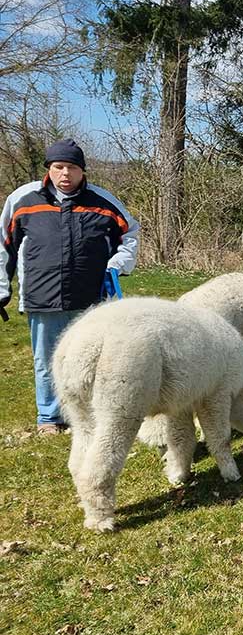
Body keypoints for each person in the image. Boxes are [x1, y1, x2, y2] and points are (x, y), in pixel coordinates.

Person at [0, 139, 140, 435]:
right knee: (48, 358)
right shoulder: (23, 200)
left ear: (82, 171)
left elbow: (130, 235)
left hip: (91, 297)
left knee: (93, 358)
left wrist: (118, 265)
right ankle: (49, 417)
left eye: (72, 167)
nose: (66, 173)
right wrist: (2, 288)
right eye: (59, 167)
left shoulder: (103, 202)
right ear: (48, 169)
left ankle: (87, 414)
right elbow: (4, 247)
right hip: (42, 296)